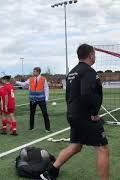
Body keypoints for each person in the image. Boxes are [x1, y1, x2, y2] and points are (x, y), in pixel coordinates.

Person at [41, 44, 109, 180]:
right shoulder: (89, 71)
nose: (95, 56)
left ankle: (50, 172)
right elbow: (87, 94)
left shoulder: (72, 72)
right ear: (90, 55)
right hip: (86, 117)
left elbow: (68, 97)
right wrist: (94, 113)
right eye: (94, 54)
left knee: (76, 146)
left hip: (73, 115)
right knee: (103, 149)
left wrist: (73, 112)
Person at [16, 67, 51, 132]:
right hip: (33, 99)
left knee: (45, 113)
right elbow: (24, 84)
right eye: (33, 71)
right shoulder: (30, 79)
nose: (33, 72)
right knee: (32, 113)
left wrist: (46, 99)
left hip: (41, 99)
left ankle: (47, 128)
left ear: (38, 72)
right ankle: (31, 127)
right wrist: (16, 82)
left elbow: (46, 89)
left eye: (34, 71)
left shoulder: (43, 79)